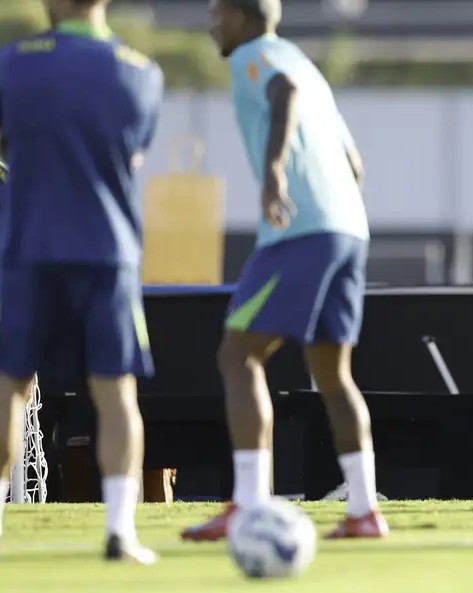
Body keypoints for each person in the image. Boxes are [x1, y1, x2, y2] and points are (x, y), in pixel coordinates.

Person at [182, 0, 385, 541]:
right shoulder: (306, 63)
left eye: (217, 13)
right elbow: (355, 164)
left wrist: (274, 172)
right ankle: (364, 511)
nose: (211, 24)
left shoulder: (256, 56)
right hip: (348, 229)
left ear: (243, 18)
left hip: (301, 231)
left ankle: (247, 503)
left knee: (238, 353)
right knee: (333, 374)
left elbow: (282, 94)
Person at [0, 0, 163, 562]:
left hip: (29, 247)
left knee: (10, 386)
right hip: (107, 250)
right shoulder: (141, 72)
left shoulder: (13, 63)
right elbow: (131, 156)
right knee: (116, 390)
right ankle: (121, 531)